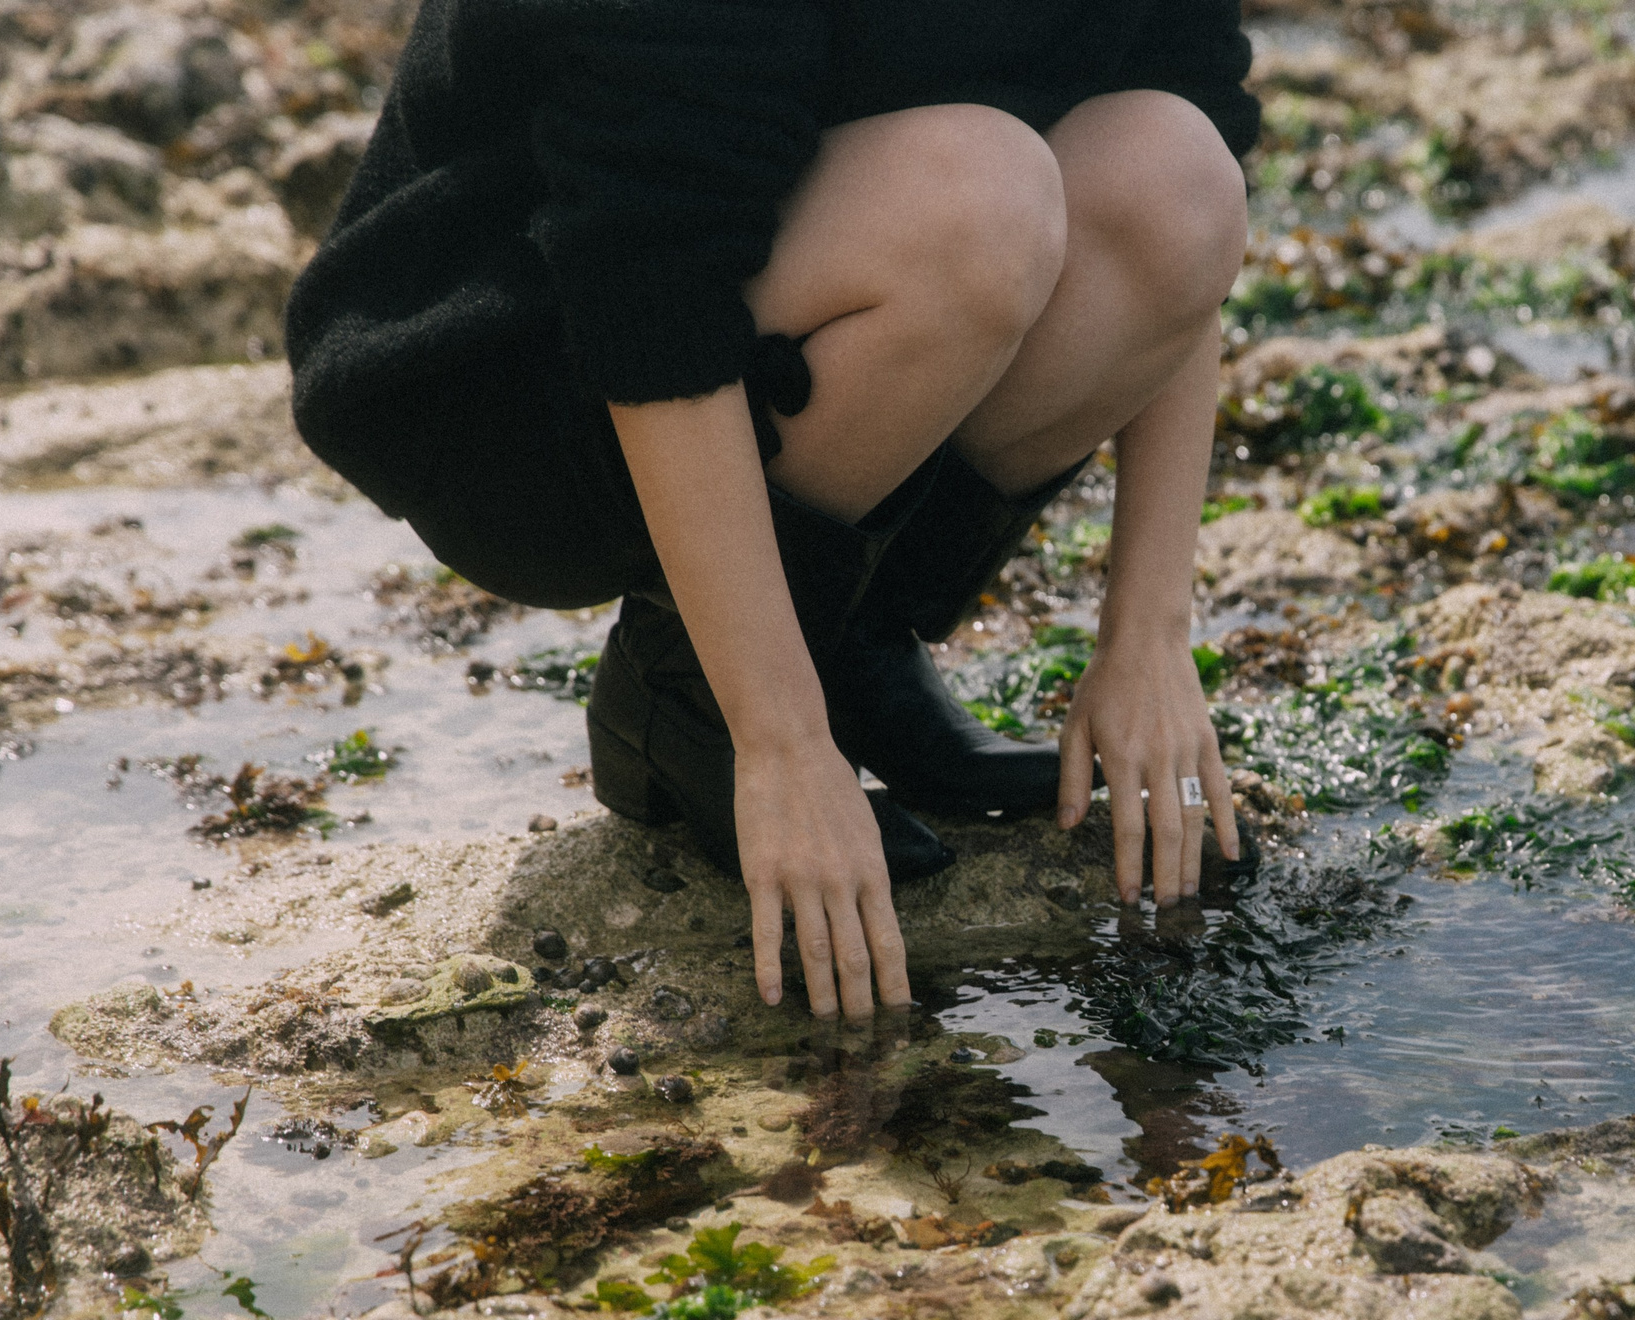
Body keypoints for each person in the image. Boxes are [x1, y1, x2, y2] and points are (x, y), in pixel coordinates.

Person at [284, 1, 1257, 1028]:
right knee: (979, 201)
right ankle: (681, 697)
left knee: (1176, 177)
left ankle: (849, 636)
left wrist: (1149, 635)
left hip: (775, 258)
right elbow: (646, 279)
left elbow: (1192, 151)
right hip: (508, 363)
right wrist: (778, 736)